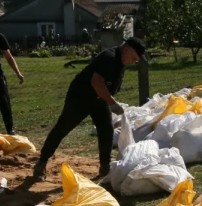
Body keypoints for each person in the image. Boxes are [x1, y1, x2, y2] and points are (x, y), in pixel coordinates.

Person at [32, 36, 146, 180]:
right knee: (62, 128)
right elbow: (96, 82)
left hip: (98, 99)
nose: (135, 61)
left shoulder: (120, 62)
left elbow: (107, 85)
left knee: (106, 130)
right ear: (127, 49)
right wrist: (111, 102)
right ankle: (41, 163)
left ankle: (105, 167)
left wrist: (109, 99)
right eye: (135, 58)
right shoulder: (109, 58)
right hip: (80, 97)